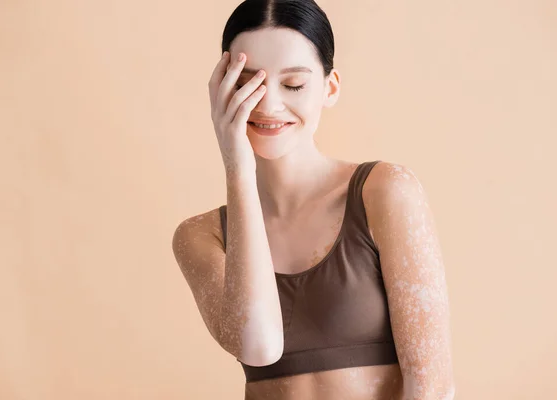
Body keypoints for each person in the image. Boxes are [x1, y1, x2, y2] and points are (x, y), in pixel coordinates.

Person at [171, 0, 455, 399]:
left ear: (330, 87)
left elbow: (432, 387)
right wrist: (237, 167)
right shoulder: (200, 236)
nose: (268, 105)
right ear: (221, 89)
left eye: (293, 84)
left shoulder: (384, 191)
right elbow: (259, 345)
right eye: (247, 84)